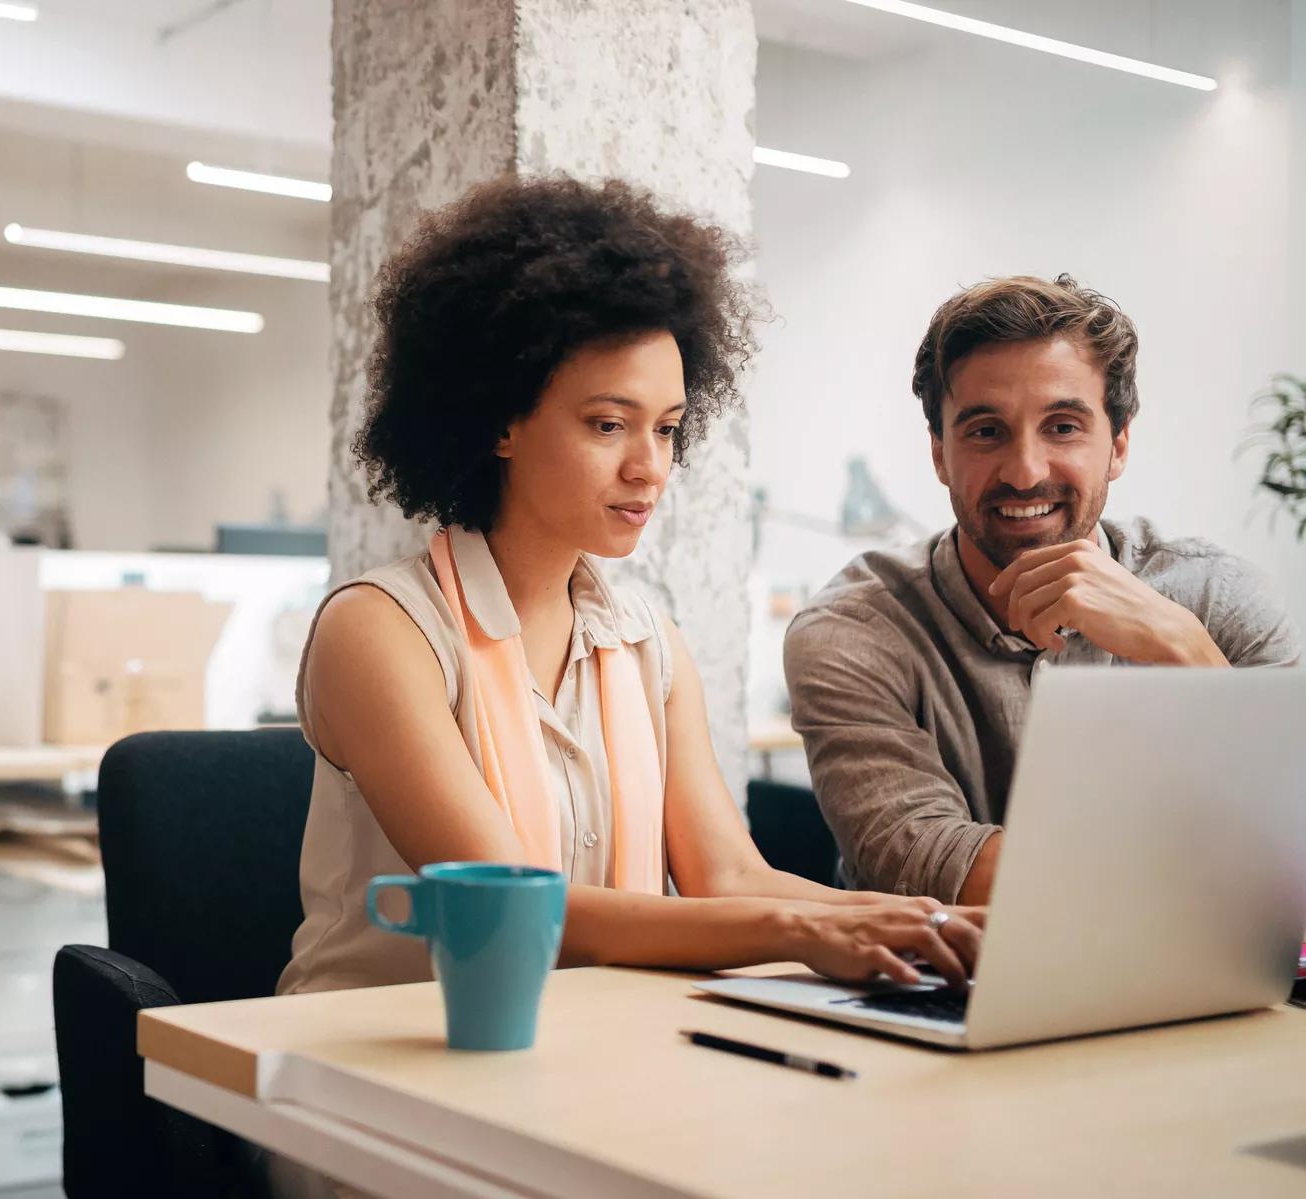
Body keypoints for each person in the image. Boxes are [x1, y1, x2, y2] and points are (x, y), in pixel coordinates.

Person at [279, 175, 983, 1006]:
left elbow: (725, 873)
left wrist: (934, 921)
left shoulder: (647, 639)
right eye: (608, 424)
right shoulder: (379, 631)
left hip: (584, 1043)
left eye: (668, 428)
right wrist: (806, 933)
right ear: (499, 419)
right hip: (365, 1066)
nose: (649, 466)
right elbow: (517, 906)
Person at [784, 275, 1301, 905]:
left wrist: (1184, 651)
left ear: (1118, 445)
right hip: (941, 990)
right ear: (940, 454)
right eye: (985, 432)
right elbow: (926, 862)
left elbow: (1292, 843)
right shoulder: (856, 629)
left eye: (1062, 427)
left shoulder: (1215, 599)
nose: (1026, 472)